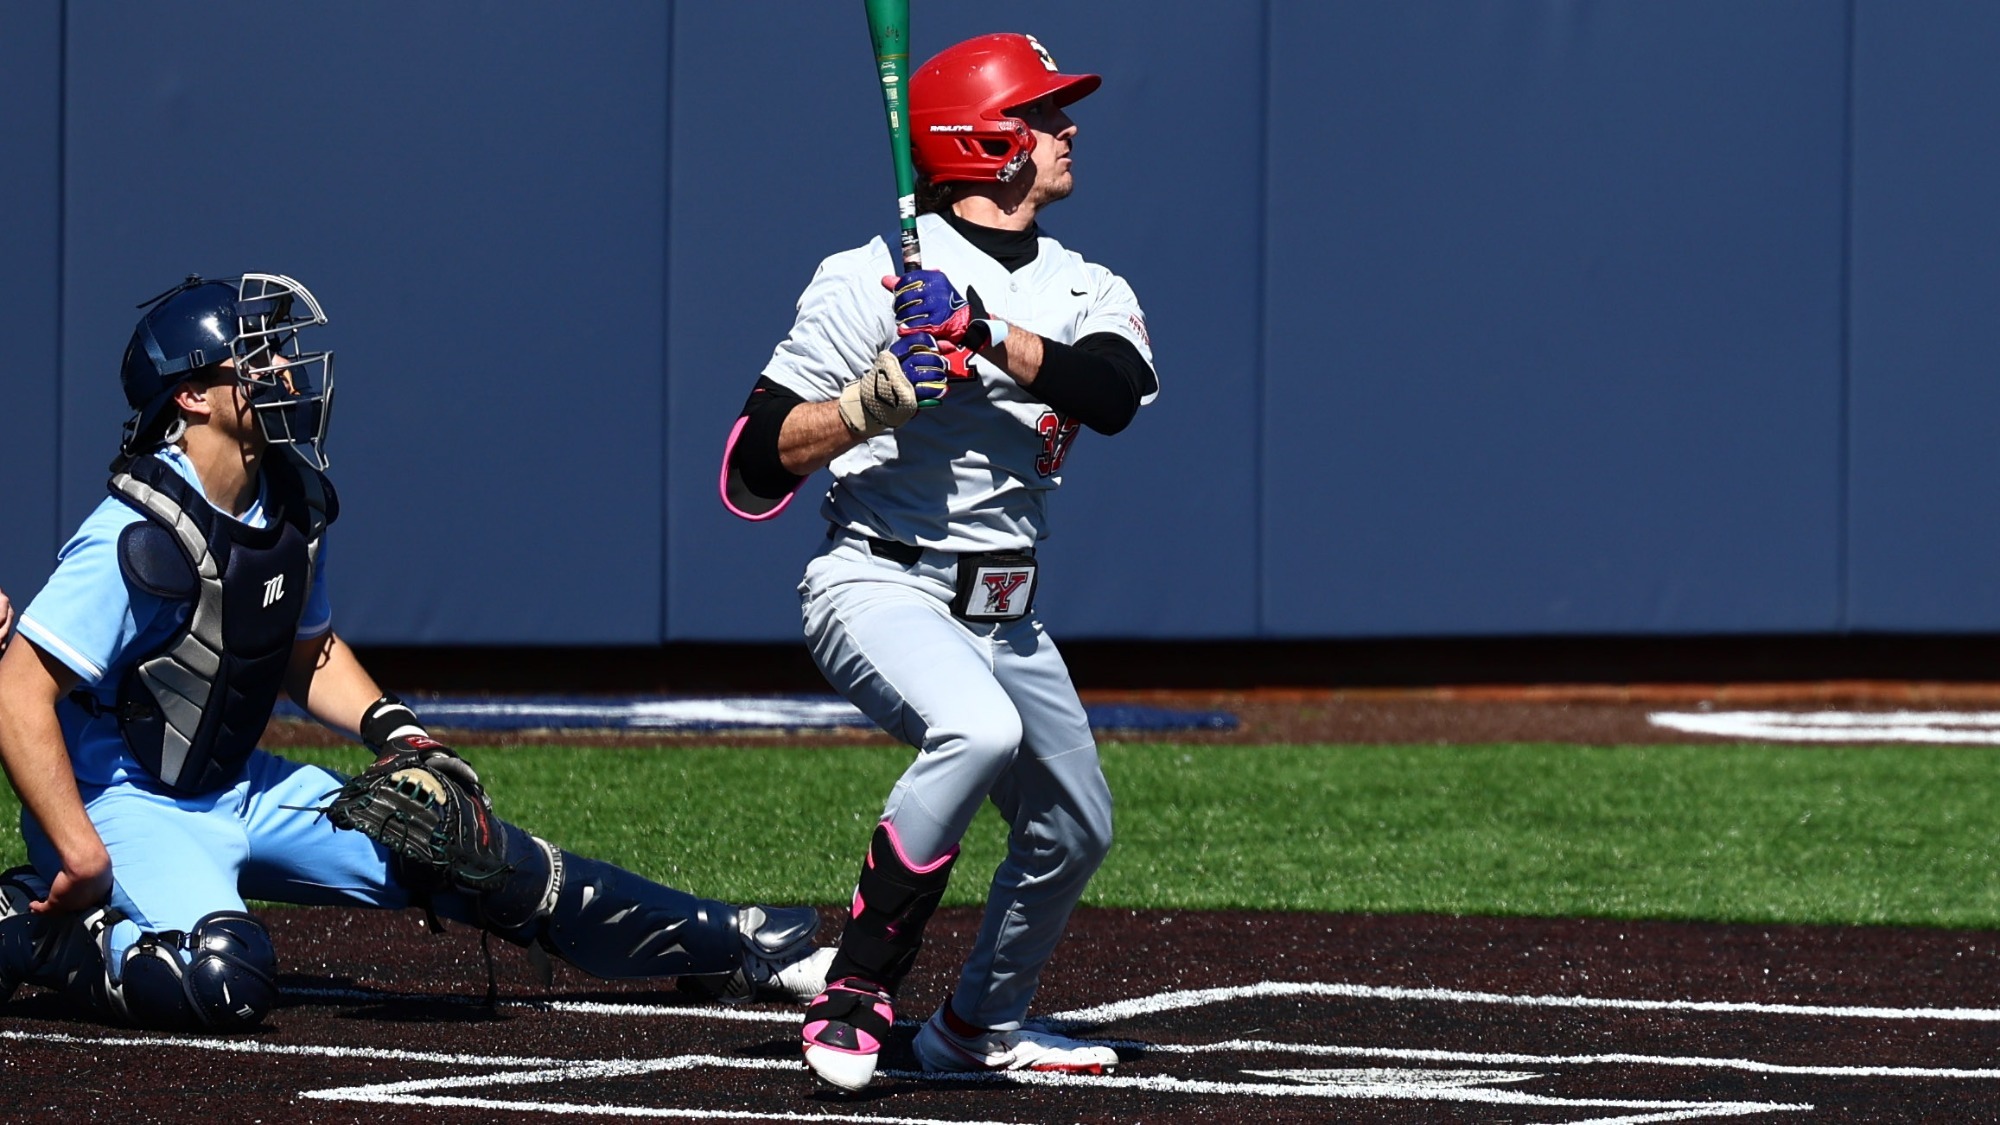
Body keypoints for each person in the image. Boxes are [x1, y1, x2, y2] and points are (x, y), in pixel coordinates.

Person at [0, 273, 831, 1029]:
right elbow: (16, 692)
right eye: (255, 360)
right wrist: (79, 850)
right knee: (223, 977)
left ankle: (728, 942)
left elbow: (308, 654)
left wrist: (399, 734)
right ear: (191, 396)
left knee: (462, 848)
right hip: (127, 800)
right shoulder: (135, 536)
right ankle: (40, 933)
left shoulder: (287, 503)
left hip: (233, 787)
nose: (285, 372)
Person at [720, 33, 1158, 1089]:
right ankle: (859, 983)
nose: (1066, 130)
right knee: (976, 729)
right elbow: (748, 470)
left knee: (1073, 831)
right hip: (878, 579)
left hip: (1005, 611)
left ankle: (974, 1029)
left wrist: (978, 332)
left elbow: (1108, 395)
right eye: (1044, 115)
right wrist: (873, 401)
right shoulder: (863, 279)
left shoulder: (1086, 284)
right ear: (986, 142)